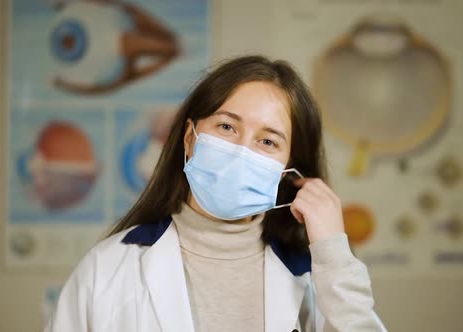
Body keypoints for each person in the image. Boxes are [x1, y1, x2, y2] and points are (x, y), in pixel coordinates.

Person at [45, 55, 387, 332]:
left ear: (287, 169)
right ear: (190, 139)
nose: (241, 150)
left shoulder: (313, 274)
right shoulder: (108, 268)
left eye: (267, 141)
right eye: (226, 126)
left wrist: (332, 251)